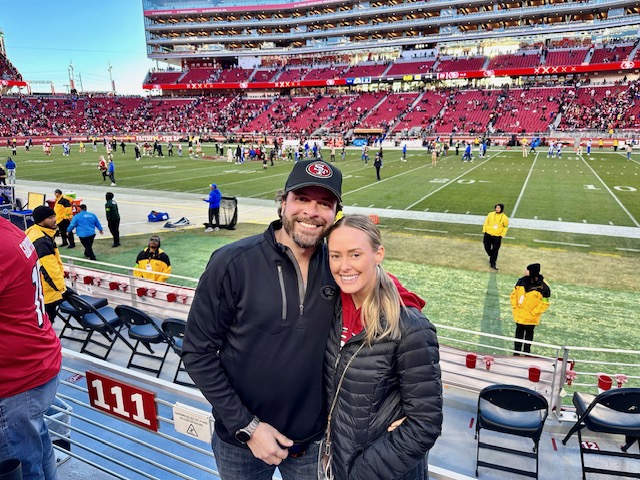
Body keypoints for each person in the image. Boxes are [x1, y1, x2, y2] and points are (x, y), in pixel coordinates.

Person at [183, 159, 343, 480]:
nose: (312, 212)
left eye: (324, 203)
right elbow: (197, 353)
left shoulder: (341, 268)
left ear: (336, 213)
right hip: (240, 441)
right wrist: (248, 427)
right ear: (283, 202)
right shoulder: (232, 262)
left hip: (312, 440)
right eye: (302, 199)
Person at [323, 214, 443, 480]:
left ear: (378, 254)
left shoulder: (410, 327)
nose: (344, 266)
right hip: (336, 462)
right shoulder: (330, 310)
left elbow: (425, 425)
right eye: (335, 256)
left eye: (355, 255)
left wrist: (362, 474)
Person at [0, 216, 62, 480]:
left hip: (17, 380)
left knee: (22, 468)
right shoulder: (7, 230)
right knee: (39, 446)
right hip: (36, 365)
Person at [25, 206, 69, 324]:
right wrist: (62, 290)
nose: (55, 219)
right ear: (40, 220)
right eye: (50, 217)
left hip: (37, 288)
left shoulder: (33, 231)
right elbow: (50, 269)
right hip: (47, 291)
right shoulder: (41, 240)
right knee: (48, 322)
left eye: (54, 216)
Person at [511, 263, 551, 355]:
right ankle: (516, 354)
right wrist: (515, 308)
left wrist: (534, 313)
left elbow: (545, 303)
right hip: (520, 316)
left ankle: (526, 354)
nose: (525, 271)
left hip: (531, 318)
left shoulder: (544, 287)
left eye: (527, 270)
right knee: (518, 336)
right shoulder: (521, 281)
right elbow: (513, 295)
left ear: (532, 272)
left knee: (528, 337)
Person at [482, 203, 508, 270]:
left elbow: (506, 227)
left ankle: (493, 263)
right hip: (488, 233)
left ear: (501, 209)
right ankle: (491, 255)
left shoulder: (505, 217)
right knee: (486, 246)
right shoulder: (490, 214)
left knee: (495, 250)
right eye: (496, 207)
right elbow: (486, 222)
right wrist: (484, 230)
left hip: (497, 236)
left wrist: (502, 234)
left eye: (498, 208)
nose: (497, 209)